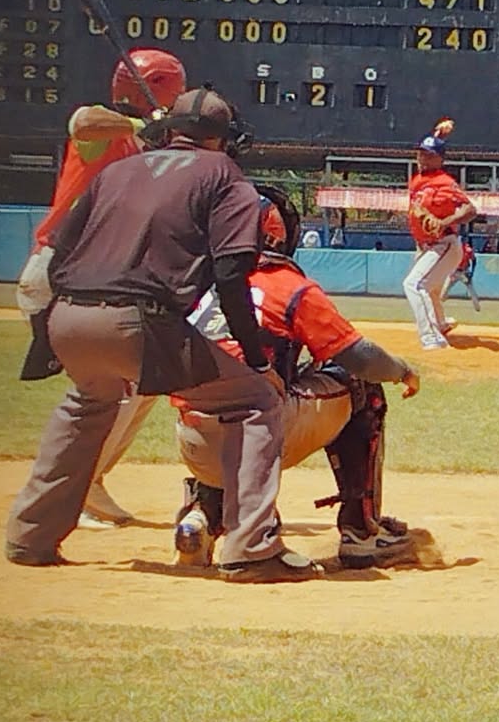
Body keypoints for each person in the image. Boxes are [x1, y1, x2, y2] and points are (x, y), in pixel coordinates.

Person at [6, 88, 323, 584]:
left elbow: (60, 251)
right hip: (140, 321)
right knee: (254, 399)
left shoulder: (117, 171)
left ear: (169, 130)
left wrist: (50, 327)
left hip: (68, 315)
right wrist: (259, 362)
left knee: (87, 403)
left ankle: (30, 537)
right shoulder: (225, 177)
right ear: (224, 138)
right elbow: (232, 275)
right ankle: (252, 548)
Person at [172, 185, 421, 570]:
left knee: (225, 393)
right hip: (263, 434)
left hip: (191, 439)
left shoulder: (195, 284)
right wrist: (403, 370)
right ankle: (361, 531)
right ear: (276, 234)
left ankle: (202, 517)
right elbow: (361, 359)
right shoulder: (287, 285)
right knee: (358, 384)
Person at [16, 47, 187, 526]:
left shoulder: (139, 146)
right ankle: (81, 483)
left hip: (84, 273)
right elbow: (82, 122)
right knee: (122, 381)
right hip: (60, 268)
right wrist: (138, 126)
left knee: (140, 383)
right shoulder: (108, 131)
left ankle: (89, 479)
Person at [403, 118, 477, 350]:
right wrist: (438, 136)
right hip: (427, 246)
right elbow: (432, 149)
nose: (422, 157)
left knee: (415, 285)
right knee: (432, 289)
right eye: (420, 153)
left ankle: (432, 337)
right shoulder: (419, 179)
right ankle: (441, 324)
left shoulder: (444, 182)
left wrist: (447, 220)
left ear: (439, 159)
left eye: (428, 154)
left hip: (444, 244)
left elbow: (470, 209)